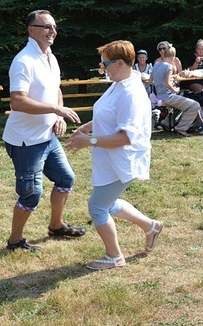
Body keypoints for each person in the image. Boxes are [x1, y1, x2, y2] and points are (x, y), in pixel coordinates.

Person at [65, 40, 163, 270]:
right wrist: (87, 128)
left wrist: (87, 141)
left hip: (123, 158)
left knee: (98, 207)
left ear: (120, 63)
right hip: (110, 157)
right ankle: (151, 226)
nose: (103, 68)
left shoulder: (131, 92)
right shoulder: (119, 83)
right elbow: (108, 114)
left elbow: (124, 137)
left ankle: (114, 257)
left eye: (104, 64)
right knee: (107, 203)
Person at [2, 10, 86, 253]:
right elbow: (17, 101)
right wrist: (55, 109)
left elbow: (55, 89)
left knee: (65, 178)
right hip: (25, 141)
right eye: (46, 27)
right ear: (31, 30)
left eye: (54, 27)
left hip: (47, 136)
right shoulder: (24, 60)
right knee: (30, 194)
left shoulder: (50, 57)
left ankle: (56, 225)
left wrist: (56, 114)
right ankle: (15, 241)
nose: (52, 31)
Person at [150, 45, 202, 136]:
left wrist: (160, 84)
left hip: (159, 96)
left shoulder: (157, 64)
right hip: (167, 97)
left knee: (183, 100)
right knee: (195, 105)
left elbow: (151, 81)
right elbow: (168, 84)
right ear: (173, 56)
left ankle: (166, 122)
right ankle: (181, 128)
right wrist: (175, 90)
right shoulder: (168, 67)